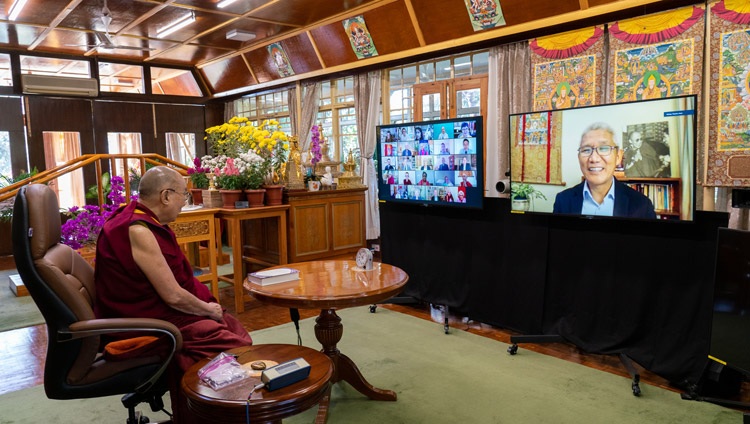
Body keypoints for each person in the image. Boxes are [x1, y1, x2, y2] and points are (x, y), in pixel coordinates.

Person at [94, 166, 253, 423]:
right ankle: (209, 415)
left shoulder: (136, 216)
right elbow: (174, 297)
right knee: (235, 345)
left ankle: (206, 412)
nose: (184, 202)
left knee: (228, 325)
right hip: (145, 323)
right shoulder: (139, 230)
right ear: (166, 196)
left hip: (155, 310)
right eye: (184, 195)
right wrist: (207, 309)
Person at [553, 123, 656, 219]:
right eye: (586, 150)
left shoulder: (642, 205)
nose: (594, 158)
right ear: (579, 158)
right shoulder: (563, 200)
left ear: (618, 157)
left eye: (604, 148)